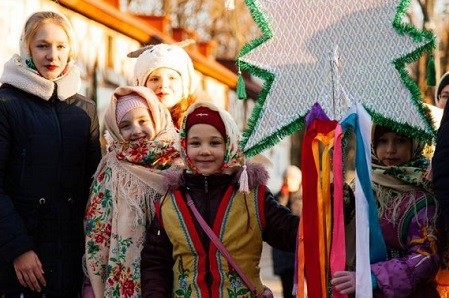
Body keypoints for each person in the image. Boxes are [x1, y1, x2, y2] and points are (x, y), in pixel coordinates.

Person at [140, 101, 299, 297]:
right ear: (184, 145)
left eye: (215, 143)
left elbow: (293, 234)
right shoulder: (170, 202)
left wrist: (331, 203)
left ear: (229, 144)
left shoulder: (252, 197)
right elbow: (155, 263)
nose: (204, 151)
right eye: (195, 143)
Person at [0, 11, 101, 297]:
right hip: (21, 259)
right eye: (42, 45)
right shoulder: (6, 103)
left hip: (71, 256)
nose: (52, 55)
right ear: (27, 48)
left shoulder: (85, 110)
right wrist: (18, 248)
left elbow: (94, 188)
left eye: (60, 46)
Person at [84, 86, 180, 297]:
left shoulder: (179, 161)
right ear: (116, 130)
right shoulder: (111, 168)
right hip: (129, 280)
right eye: (125, 126)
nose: (136, 130)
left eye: (143, 121)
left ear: (156, 118)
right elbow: (97, 232)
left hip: (176, 274)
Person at [331, 125, 439, 297]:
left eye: (400, 141)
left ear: (415, 145)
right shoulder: (360, 188)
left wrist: (372, 278)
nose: (390, 150)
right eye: (382, 141)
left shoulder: (422, 198)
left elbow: (425, 258)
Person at [128, 41, 198, 128]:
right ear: (142, 85)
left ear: (185, 85)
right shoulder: (132, 125)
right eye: (154, 79)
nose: (163, 85)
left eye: (172, 78)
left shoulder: (198, 124)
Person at [271, 165, 302, 298]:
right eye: (286, 178)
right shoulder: (276, 198)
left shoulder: (305, 196)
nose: (288, 181)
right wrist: (283, 197)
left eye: (291, 178)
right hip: (284, 253)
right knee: (288, 290)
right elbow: (276, 220)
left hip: (302, 250)